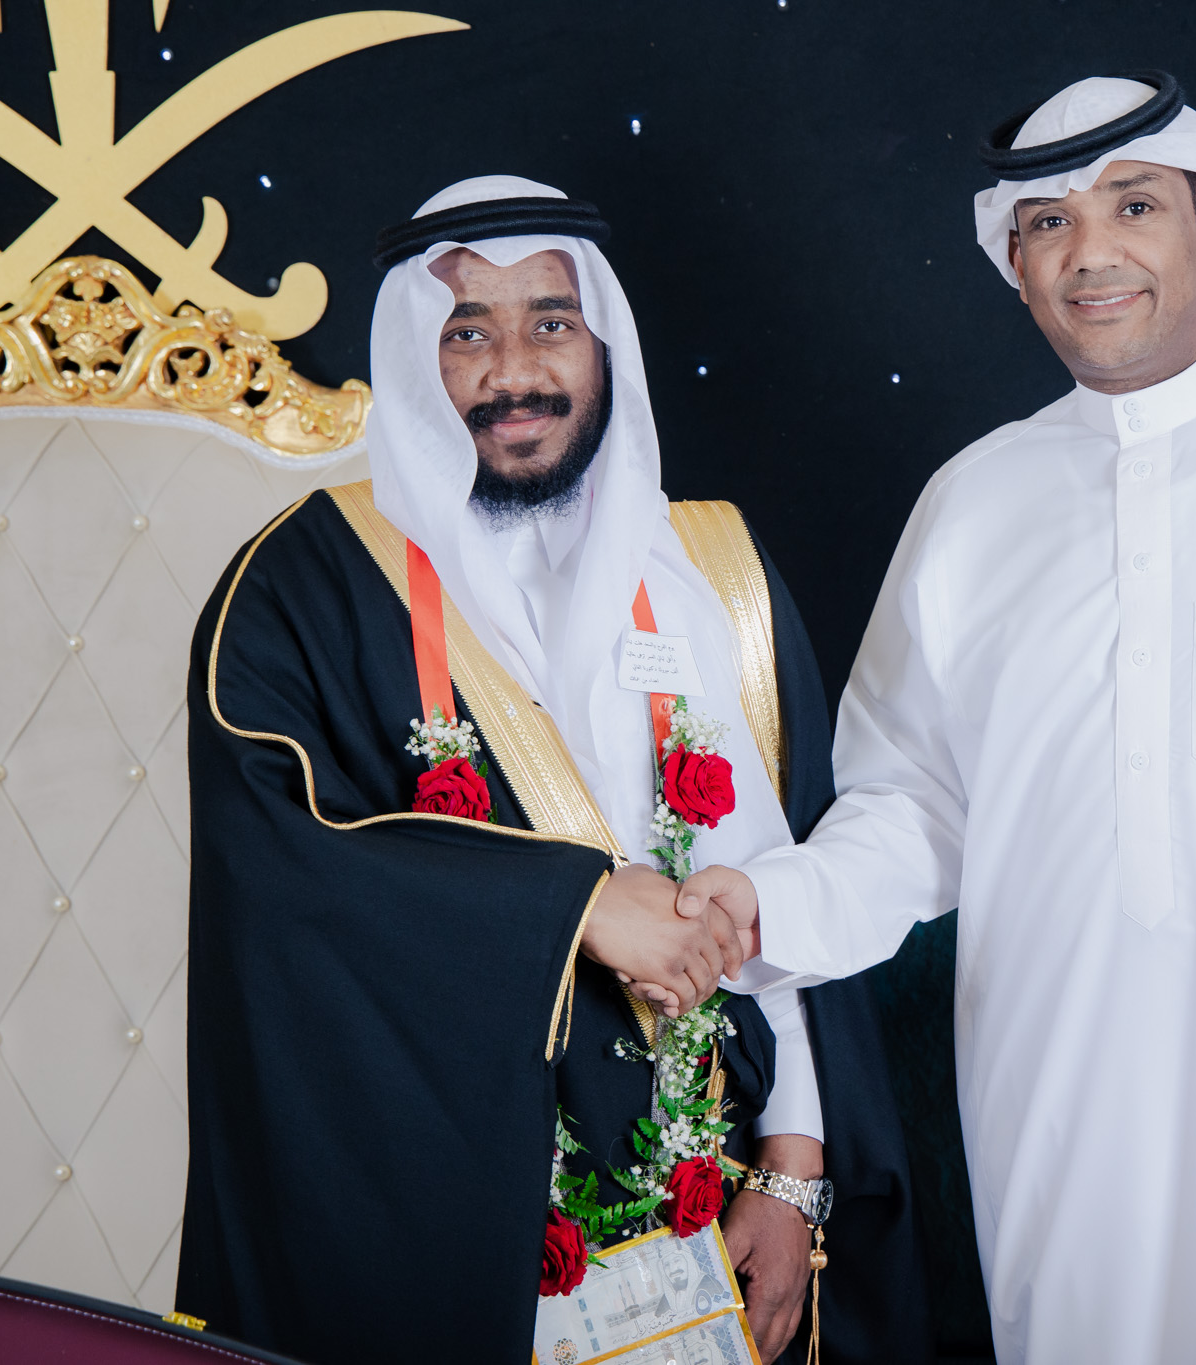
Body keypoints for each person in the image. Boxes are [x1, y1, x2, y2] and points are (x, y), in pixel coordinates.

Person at [675, 74, 1196, 1362]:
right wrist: (761, 905)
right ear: (1014, 265)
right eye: (1047, 223)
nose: (1089, 253)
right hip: (1059, 1126)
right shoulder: (971, 507)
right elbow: (913, 810)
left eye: (1132, 206)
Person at [176, 176, 927, 1365]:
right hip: (435, 1225)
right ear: (414, 358)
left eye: (551, 323)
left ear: (603, 343)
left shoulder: (712, 572)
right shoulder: (302, 590)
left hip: (709, 1206)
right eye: (466, 333)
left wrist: (792, 1170)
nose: (512, 371)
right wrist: (575, 905)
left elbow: (779, 881)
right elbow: (278, 880)